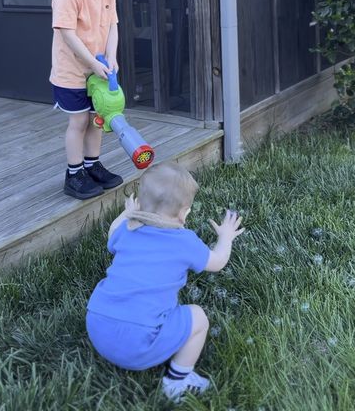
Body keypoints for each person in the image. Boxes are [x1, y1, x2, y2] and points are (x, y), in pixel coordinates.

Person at [86, 161, 245, 401]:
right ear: (183, 214)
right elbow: (218, 262)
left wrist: (127, 214)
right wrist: (225, 237)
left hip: (97, 326)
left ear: (140, 204)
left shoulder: (127, 229)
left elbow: (112, 233)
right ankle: (177, 381)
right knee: (198, 317)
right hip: (139, 344)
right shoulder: (185, 241)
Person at [50, 0, 123, 200]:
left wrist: (112, 57)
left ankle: (92, 165)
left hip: (101, 72)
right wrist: (93, 63)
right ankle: (74, 173)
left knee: (97, 121)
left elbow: (113, 25)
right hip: (73, 75)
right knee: (79, 123)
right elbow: (68, 35)